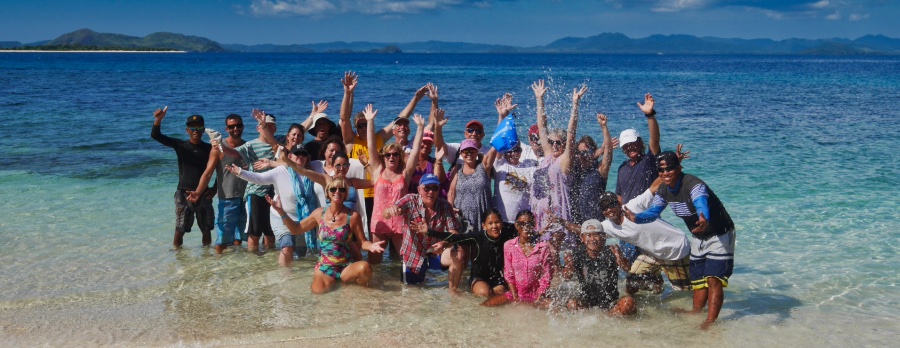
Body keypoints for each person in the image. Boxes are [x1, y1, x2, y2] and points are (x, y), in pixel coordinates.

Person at [628, 151, 735, 329]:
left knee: (713, 279)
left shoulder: (693, 184)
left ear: (679, 168)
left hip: (720, 233)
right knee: (698, 279)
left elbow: (701, 202)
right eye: (661, 170)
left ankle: (710, 321)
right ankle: (697, 311)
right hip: (698, 236)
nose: (665, 173)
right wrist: (636, 218)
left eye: (670, 169)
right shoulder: (663, 190)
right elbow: (654, 212)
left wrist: (704, 218)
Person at [270, 178, 386, 294]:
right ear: (327, 192)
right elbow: (295, 230)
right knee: (317, 293)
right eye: (333, 189)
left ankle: (356, 294)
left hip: (346, 267)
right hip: (325, 268)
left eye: (341, 189)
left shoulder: (353, 216)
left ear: (346, 193)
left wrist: (371, 246)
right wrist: (281, 212)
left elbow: (362, 242)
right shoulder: (319, 213)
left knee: (366, 268)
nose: (337, 192)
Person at [226, 145, 318, 268]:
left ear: (307, 158)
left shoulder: (312, 173)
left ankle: (297, 281)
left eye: (304, 154)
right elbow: (259, 178)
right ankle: (284, 277)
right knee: (288, 246)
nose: (300, 157)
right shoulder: (281, 171)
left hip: (303, 220)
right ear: (289, 156)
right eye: (297, 154)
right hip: (282, 217)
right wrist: (241, 173)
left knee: (301, 254)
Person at [597, 187, 691, 294]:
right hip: (653, 254)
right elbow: (588, 230)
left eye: (611, 204)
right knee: (632, 280)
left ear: (618, 203)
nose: (609, 210)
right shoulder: (608, 226)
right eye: (604, 208)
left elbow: (654, 189)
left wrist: (667, 174)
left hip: (676, 248)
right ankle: (636, 303)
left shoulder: (633, 206)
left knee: (683, 293)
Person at [382, 174, 466, 291]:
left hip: (435, 253)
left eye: (434, 188)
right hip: (413, 255)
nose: (431, 192)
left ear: (438, 190)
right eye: (427, 188)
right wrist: (390, 210)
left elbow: (454, 233)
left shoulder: (445, 206)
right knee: (411, 293)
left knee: (459, 254)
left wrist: (444, 243)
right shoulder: (410, 200)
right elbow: (386, 213)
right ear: (419, 189)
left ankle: (453, 295)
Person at [191, 113, 260, 253]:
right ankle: (218, 268)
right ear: (226, 129)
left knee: (241, 239)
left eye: (238, 125)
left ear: (243, 127)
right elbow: (208, 172)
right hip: (227, 198)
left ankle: (238, 268)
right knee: (222, 240)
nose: (235, 128)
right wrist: (198, 192)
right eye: (231, 126)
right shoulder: (218, 148)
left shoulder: (248, 147)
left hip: (247, 198)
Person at [367, 105, 427, 264]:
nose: (391, 157)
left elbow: (415, 152)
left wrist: (420, 128)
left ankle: (406, 289)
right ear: (384, 157)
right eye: (388, 155)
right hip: (379, 222)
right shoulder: (377, 170)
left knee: (405, 264)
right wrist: (370, 122)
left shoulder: (404, 174)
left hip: (400, 223)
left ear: (399, 157)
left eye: (395, 154)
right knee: (374, 264)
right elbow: (371, 147)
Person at [530, 80, 587, 244]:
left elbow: (571, 134)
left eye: (558, 142)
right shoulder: (548, 156)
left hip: (558, 215)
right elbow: (542, 128)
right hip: (540, 214)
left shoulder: (564, 161)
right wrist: (539, 100)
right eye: (552, 142)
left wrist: (575, 105)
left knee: (559, 257)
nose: (554, 145)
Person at [150, 106, 214, 248]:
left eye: (199, 127)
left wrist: (215, 188)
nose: (195, 130)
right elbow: (156, 136)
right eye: (192, 127)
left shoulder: (210, 149)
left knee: (206, 230)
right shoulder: (180, 146)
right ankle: (178, 259)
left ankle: (207, 258)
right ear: (187, 130)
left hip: (204, 193)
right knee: (180, 230)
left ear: (203, 130)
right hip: (183, 193)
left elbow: (221, 169)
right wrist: (158, 120)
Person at [417, 208, 515, 298]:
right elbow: (454, 237)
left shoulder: (507, 234)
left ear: (502, 223)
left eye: (497, 222)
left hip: (498, 278)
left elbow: (522, 226)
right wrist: (429, 232)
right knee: (484, 293)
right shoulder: (477, 237)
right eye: (490, 223)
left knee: (500, 294)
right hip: (479, 277)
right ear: (484, 226)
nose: (494, 226)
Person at [615, 93, 662, 262]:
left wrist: (650, 115)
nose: (629, 148)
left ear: (640, 143)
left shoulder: (649, 161)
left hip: (649, 220)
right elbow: (620, 197)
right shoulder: (622, 169)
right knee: (630, 270)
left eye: (633, 143)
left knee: (652, 267)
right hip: (627, 224)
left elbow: (655, 140)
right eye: (625, 146)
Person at [562, 219, 635, 315]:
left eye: (596, 235)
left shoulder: (611, 252)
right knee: (572, 304)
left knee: (628, 303)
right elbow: (566, 277)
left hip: (611, 303)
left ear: (603, 237)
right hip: (587, 302)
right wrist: (569, 265)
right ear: (582, 238)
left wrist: (620, 258)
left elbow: (629, 269)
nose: (592, 239)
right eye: (588, 235)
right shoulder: (577, 254)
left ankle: (609, 318)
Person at [483, 210, 555, 307]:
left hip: (537, 295)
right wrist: (515, 296)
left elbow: (546, 277)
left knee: (555, 308)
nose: (525, 227)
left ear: (534, 225)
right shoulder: (509, 246)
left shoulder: (543, 248)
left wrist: (539, 297)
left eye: (529, 224)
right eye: (521, 224)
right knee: (486, 304)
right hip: (516, 293)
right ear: (516, 226)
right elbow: (509, 274)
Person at [568, 112, 613, 224]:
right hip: (575, 222)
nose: (583, 156)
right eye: (580, 152)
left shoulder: (599, 170)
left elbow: (608, 149)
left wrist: (603, 127)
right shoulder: (574, 169)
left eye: (586, 152)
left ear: (593, 151)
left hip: (595, 223)